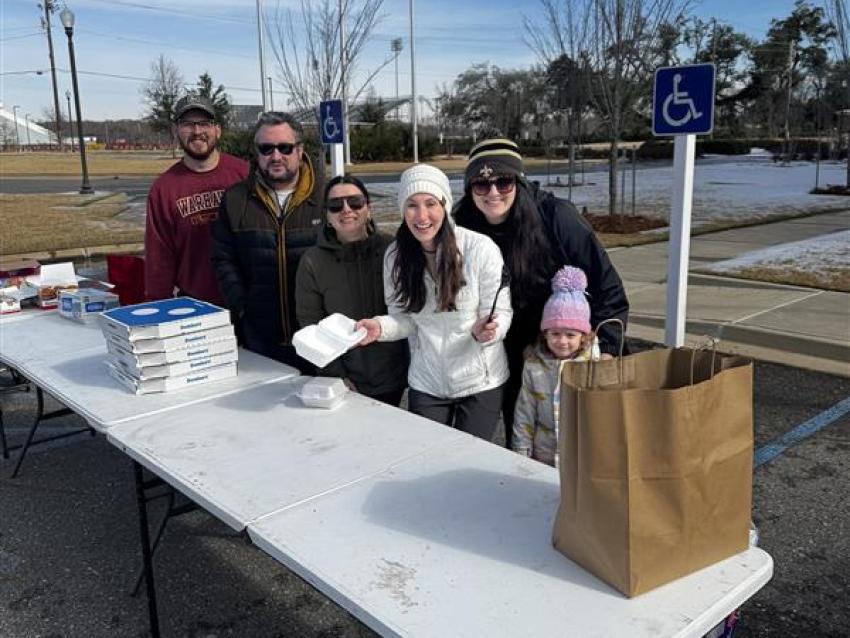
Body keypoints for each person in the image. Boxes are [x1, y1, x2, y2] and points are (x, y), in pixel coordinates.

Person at [453, 137, 628, 449]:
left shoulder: (557, 217)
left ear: (518, 181)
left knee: (578, 440)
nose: (493, 192)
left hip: (563, 348)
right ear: (470, 189)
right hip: (504, 350)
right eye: (481, 184)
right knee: (521, 436)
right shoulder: (463, 226)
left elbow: (607, 287)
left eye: (503, 182)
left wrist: (609, 350)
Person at [356, 164, 512, 441]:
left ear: (445, 205)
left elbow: (500, 310)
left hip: (479, 379)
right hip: (426, 380)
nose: (422, 215)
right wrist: (380, 328)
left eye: (431, 203)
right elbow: (403, 318)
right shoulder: (395, 256)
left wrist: (490, 330)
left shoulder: (480, 248)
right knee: (426, 457)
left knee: (468, 462)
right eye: (412, 205)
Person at [213, 111, 324, 371]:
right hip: (260, 341)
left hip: (318, 341)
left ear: (300, 149)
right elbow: (223, 258)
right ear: (257, 152)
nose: (276, 156)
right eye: (266, 148)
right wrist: (243, 307)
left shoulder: (327, 198)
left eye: (285, 147)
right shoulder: (236, 200)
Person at [295, 175, 409, 405]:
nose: (346, 210)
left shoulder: (394, 251)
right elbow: (310, 322)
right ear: (327, 215)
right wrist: (335, 375)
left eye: (355, 202)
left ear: (368, 208)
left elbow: (410, 311)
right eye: (336, 205)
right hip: (343, 381)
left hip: (393, 374)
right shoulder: (313, 262)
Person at [144, 94, 248, 305]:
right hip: (196, 308)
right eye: (188, 124)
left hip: (251, 303)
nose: (197, 131)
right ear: (175, 131)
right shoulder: (164, 189)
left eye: (204, 123)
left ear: (217, 129)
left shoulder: (245, 174)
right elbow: (159, 260)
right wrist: (159, 308)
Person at [512, 266, 600, 467]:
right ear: (545, 333)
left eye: (570, 335)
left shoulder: (594, 367)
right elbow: (525, 410)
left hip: (583, 456)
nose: (562, 341)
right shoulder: (534, 366)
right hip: (544, 453)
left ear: (583, 336)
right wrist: (521, 451)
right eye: (555, 333)